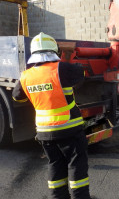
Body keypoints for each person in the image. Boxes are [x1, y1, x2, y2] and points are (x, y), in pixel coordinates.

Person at [12, 32, 91, 199]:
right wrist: (66, 57)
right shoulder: (61, 68)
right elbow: (81, 74)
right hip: (70, 130)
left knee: (55, 165)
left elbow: (16, 96)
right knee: (77, 168)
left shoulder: (26, 76)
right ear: (54, 50)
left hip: (44, 133)